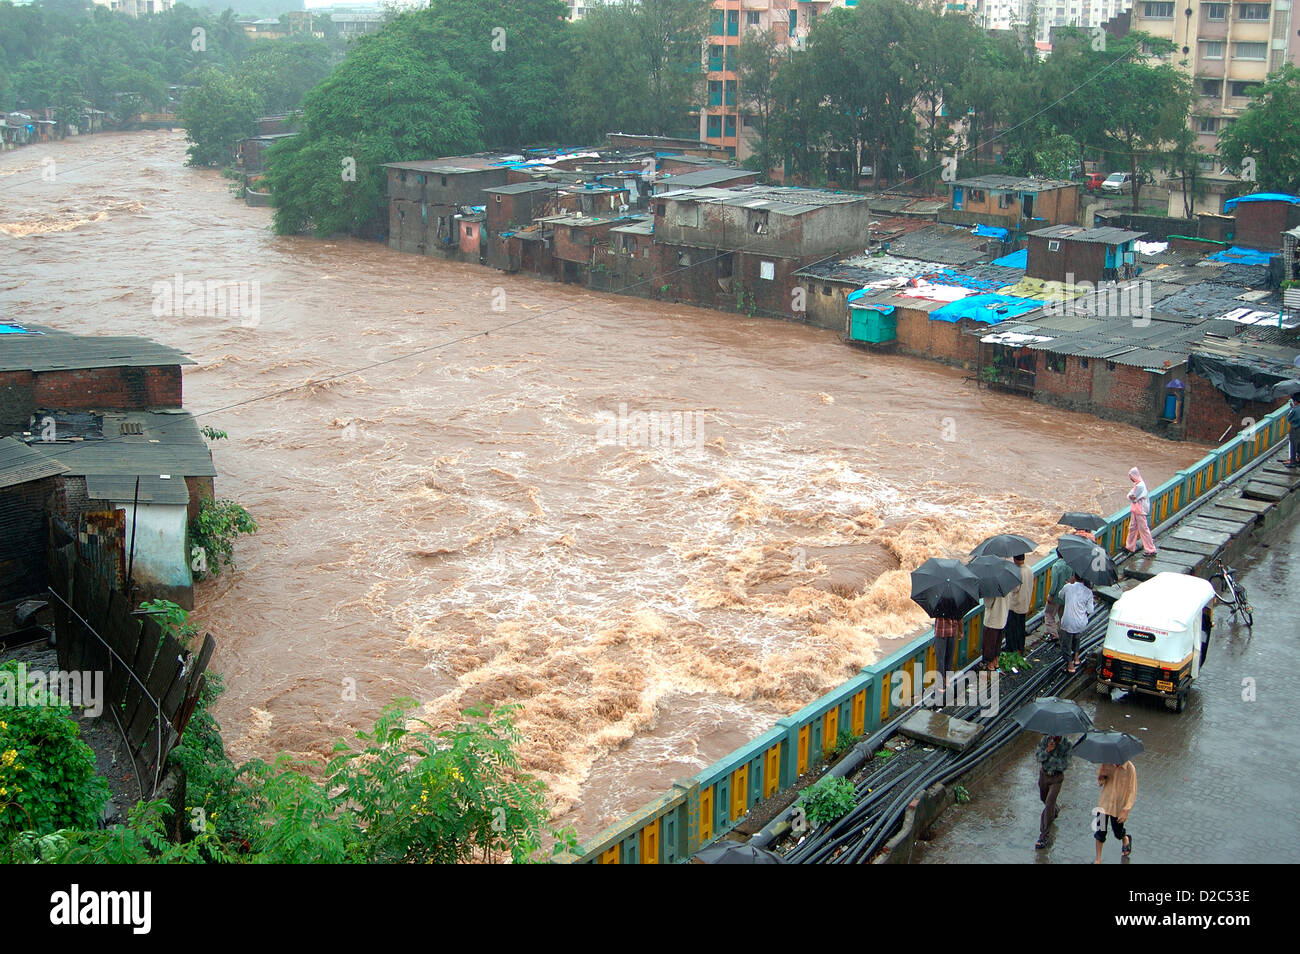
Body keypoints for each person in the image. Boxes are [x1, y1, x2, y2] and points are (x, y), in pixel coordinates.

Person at [1093, 760, 1137, 863]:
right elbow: (1100, 783)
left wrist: (1126, 810)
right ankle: (1098, 859)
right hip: (1104, 804)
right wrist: (1101, 777)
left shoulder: (1130, 769)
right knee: (1100, 831)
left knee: (1118, 832)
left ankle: (1125, 838)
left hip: (1118, 807)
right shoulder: (1106, 763)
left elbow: (1132, 791)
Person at [1035, 734, 1073, 849]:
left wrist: (1051, 758)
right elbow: (1038, 757)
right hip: (1044, 775)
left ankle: (1044, 835)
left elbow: (1065, 764)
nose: (1053, 737)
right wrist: (1047, 750)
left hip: (1056, 778)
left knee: (1049, 804)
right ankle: (1055, 810)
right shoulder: (1045, 740)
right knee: (1044, 799)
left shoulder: (1067, 744)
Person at [1058, 573, 1094, 673]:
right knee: (1076, 637)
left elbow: (1060, 596)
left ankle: (1070, 665)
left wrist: (1069, 584)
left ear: (1074, 577)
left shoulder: (1068, 587)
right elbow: (1090, 610)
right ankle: (1076, 658)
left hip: (1068, 621)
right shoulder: (1088, 592)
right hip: (1081, 622)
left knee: (1066, 643)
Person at [1004, 553, 1034, 655]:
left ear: (1015, 559)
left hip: (1015, 605)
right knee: (1021, 627)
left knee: (1012, 629)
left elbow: (1015, 589)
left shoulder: (1018, 572)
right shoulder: (1029, 569)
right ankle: (1020, 647)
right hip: (1025, 603)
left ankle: (1011, 649)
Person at [1125, 467, 1157, 556]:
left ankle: (1150, 549)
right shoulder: (1138, 484)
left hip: (1139, 510)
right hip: (1136, 510)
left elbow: (1132, 497)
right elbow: (1130, 496)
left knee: (1143, 530)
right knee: (1132, 528)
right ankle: (1129, 546)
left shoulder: (1139, 486)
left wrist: (1131, 497)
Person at [1044, 553, 1071, 644]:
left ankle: (1053, 634)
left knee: (1049, 614)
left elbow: (1054, 584)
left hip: (1056, 596)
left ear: (1058, 555)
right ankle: (1063, 632)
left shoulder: (1056, 566)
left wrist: (1051, 595)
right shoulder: (1071, 565)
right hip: (1066, 595)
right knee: (1062, 615)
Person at [981, 590, 1010, 672]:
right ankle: (996, 662)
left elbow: (988, 604)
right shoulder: (1006, 585)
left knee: (989, 643)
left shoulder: (991, 588)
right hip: (1002, 619)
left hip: (992, 620)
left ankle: (990, 665)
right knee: (998, 643)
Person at [932, 615, 961, 695]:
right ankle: (947, 683)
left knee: (940, 661)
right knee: (949, 660)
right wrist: (961, 632)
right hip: (952, 632)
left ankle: (941, 686)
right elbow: (960, 617)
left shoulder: (938, 604)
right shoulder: (955, 604)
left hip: (940, 633)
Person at [1286, 394, 1300, 467]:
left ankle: (1293, 462)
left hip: (1296, 429)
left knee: (1293, 445)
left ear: (1295, 401)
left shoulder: (1295, 409)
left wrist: (1292, 409)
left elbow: (1290, 419)